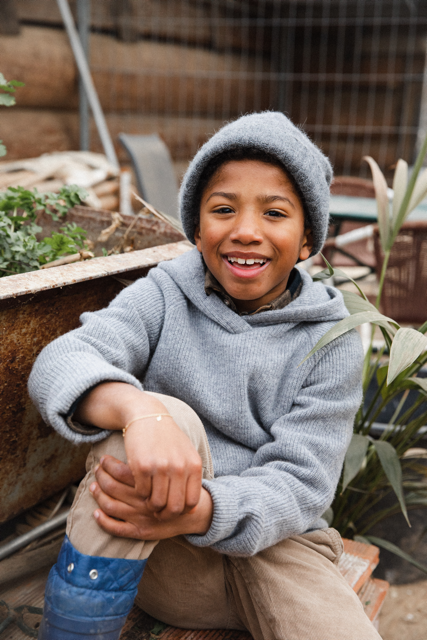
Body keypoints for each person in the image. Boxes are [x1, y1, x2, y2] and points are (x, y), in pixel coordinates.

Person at [29, 112, 381, 640]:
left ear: (308, 239)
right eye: (223, 209)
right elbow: (62, 360)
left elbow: (301, 483)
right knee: (155, 418)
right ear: (197, 228)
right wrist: (140, 412)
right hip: (158, 553)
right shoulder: (164, 294)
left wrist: (202, 511)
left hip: (275, 554)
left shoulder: (330, 339)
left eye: (275, 213)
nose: (246, 231)